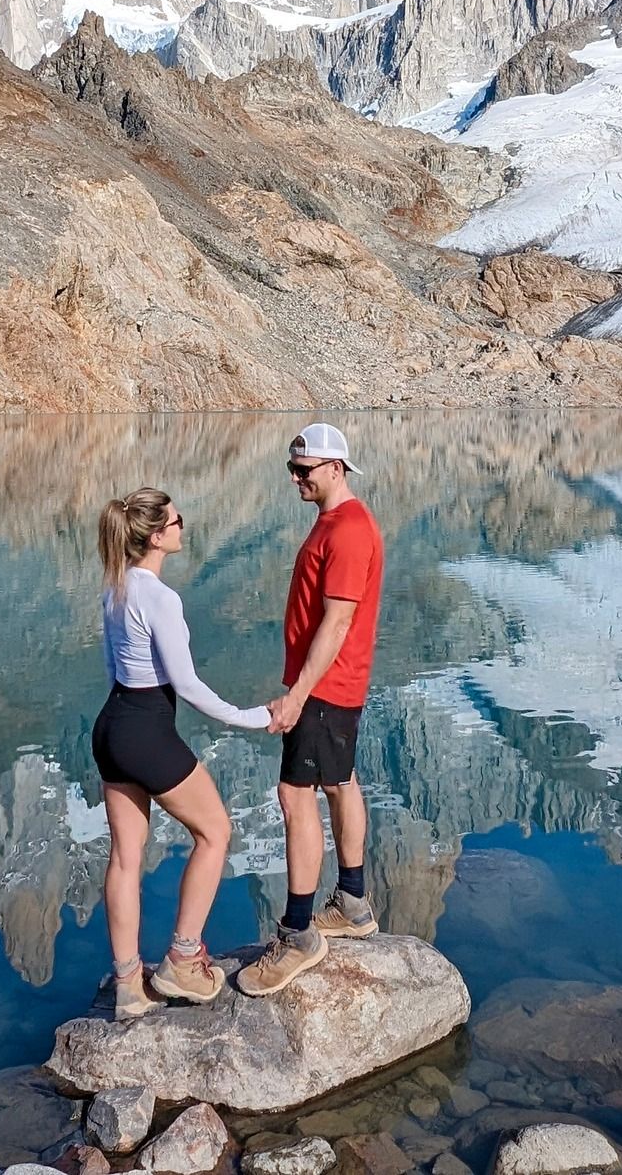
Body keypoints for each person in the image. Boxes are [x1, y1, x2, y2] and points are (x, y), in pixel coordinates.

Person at [95, 487, 272, 1019]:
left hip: (112, 725)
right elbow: (188, 685)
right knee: (215, 832)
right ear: (155, 536)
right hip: (146, 730)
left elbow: (113, 665)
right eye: (176, 520)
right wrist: (254, 717)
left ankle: (129, 985)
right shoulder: (160, 598)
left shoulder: (114, 587)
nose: (182, 526)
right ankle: (183, 959)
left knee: (126, 858)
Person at [236, 423, 385, 998]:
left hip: (324, 688)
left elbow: (339, 619)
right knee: (341, 782)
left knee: (295, 797)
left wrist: (298, 693)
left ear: (336, 468)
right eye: (292, 470)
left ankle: (298, 934)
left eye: (305, 470)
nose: (296, 479)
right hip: (337, 687)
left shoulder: (347, 530)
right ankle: (353, 902)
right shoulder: (339, 522)